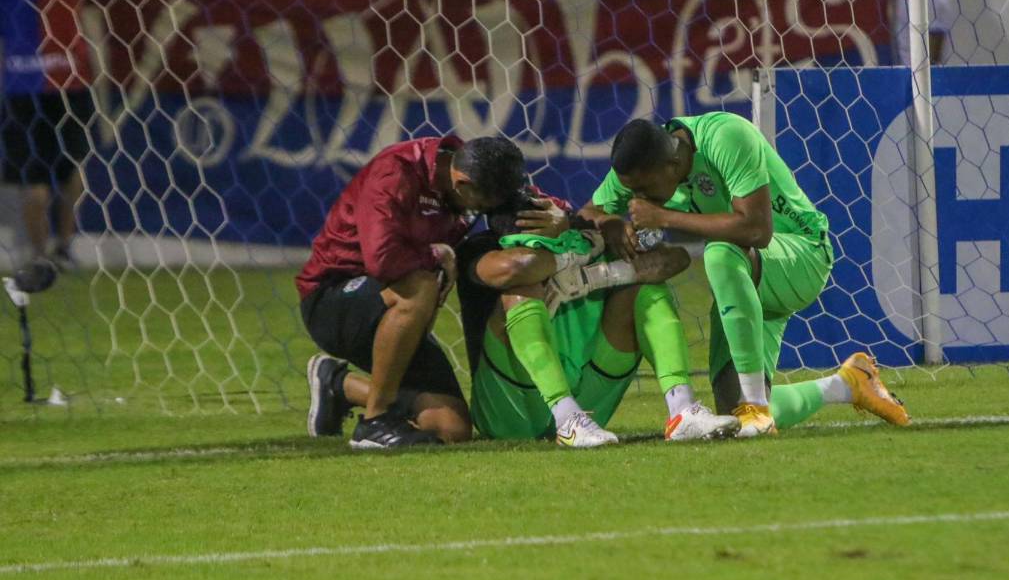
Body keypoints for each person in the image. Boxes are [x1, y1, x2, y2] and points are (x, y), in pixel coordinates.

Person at [582, 113, 911, 437]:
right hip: (741, 283)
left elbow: (756, 230)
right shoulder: (648, 163)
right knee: (731, 416)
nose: (636, 199)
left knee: (720, 251)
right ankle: (849, 383)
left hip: (801, 255)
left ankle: (758, 407)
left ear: (671, 164)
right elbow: (590, 210)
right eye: (631, 192)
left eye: (642, 190)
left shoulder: (726, 136)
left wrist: (663, 217)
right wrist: (610, 223)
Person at [454, 193, 738, 448]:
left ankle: (682, 411)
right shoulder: (487, 251)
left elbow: (676, 259)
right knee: (519, 292)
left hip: (590, 401)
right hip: (510, 412)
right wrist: (565, 263)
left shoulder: (589, 239)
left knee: (647, 287)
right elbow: (516, 268)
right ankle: (566, 419)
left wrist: (593, 275)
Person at [298, 135, 528, 449]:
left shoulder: (482, 167)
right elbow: (382, 261)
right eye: (481, 205)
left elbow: (531, 201)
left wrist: (564, 219)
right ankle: (374, 421)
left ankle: (338, 386)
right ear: (461, 183)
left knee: (452, 427)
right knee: (421, 282)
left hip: (400, 312)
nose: (482, 212)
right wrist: (439, 254)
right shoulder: (395, 173)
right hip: (335, 299)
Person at [0, 0, 95, 269]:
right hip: (70, 81)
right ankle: (65, 248)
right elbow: (91, 17)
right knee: (72, 168)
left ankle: (39, 258)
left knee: (33, 177)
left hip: (21, 85)